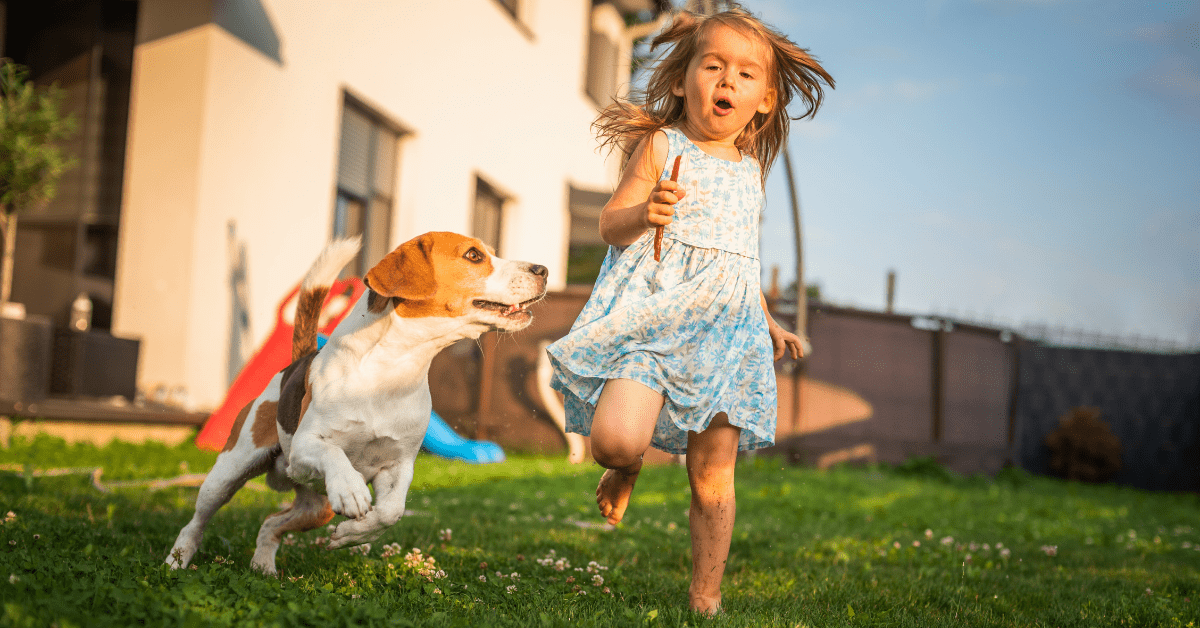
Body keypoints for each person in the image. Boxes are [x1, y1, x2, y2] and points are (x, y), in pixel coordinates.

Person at [545, 6, 833, 615]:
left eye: (745, 74)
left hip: (727, 335)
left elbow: (737, 261)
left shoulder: (752, 169)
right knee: (617, 441)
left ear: (765, 99)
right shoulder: (660, 145)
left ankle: (706, 596)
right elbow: (608, 223)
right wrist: (644, 210)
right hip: (654, 320)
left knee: (713, 477)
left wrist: (767, 319)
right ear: (682, 80)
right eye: (713, 65)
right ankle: (624, 472)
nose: (727, 81)